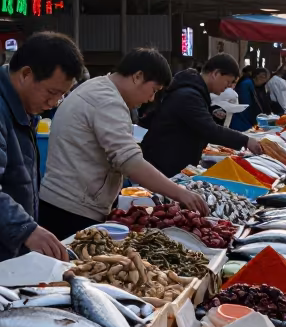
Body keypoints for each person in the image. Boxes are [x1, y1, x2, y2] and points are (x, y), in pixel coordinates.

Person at [39, 48, 210, 238]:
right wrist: (180, 193)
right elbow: (129, 161)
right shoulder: (107, 100)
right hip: (71, 209)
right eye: (153, 90)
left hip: (64, 203)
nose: (151, 98)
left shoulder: (98, 87)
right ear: (137, 76)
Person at [0, 32, 84, 262]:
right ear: (26, 74)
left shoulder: (25, 110)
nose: (53, 103)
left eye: (61, 95)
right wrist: (26, 229)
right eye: (51, 92)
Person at [139, 54, 263, 177]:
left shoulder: (195, 92)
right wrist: (246, 140)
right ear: (216, 74)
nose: (228, 87)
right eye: (228, 81)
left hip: (170, 163)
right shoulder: (189, 95)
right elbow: (210, 130)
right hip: (163, 164)